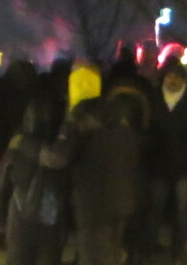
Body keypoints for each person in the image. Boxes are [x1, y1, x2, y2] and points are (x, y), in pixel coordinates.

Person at [49, 59, 147, 265]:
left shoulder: (79, 117)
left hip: (93, 203)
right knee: (112, 253)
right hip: (122, 199)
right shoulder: (115, 111)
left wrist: (32, 149)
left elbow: (59, 158)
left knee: (95, 255)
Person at [146, 62, 187, 264]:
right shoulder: (153, 97)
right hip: (159, 163)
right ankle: (150, 248)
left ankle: (177, 251)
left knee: (183, 211)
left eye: (177, 77)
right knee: (154, 208)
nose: (173, 80)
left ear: (184, 80)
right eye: (169, 76)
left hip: (185, 164)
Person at [0, 100, 64, 265]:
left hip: (20, 217)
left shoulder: (17, 147)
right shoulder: (61, 152)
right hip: (50, 216)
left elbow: (2, 187)